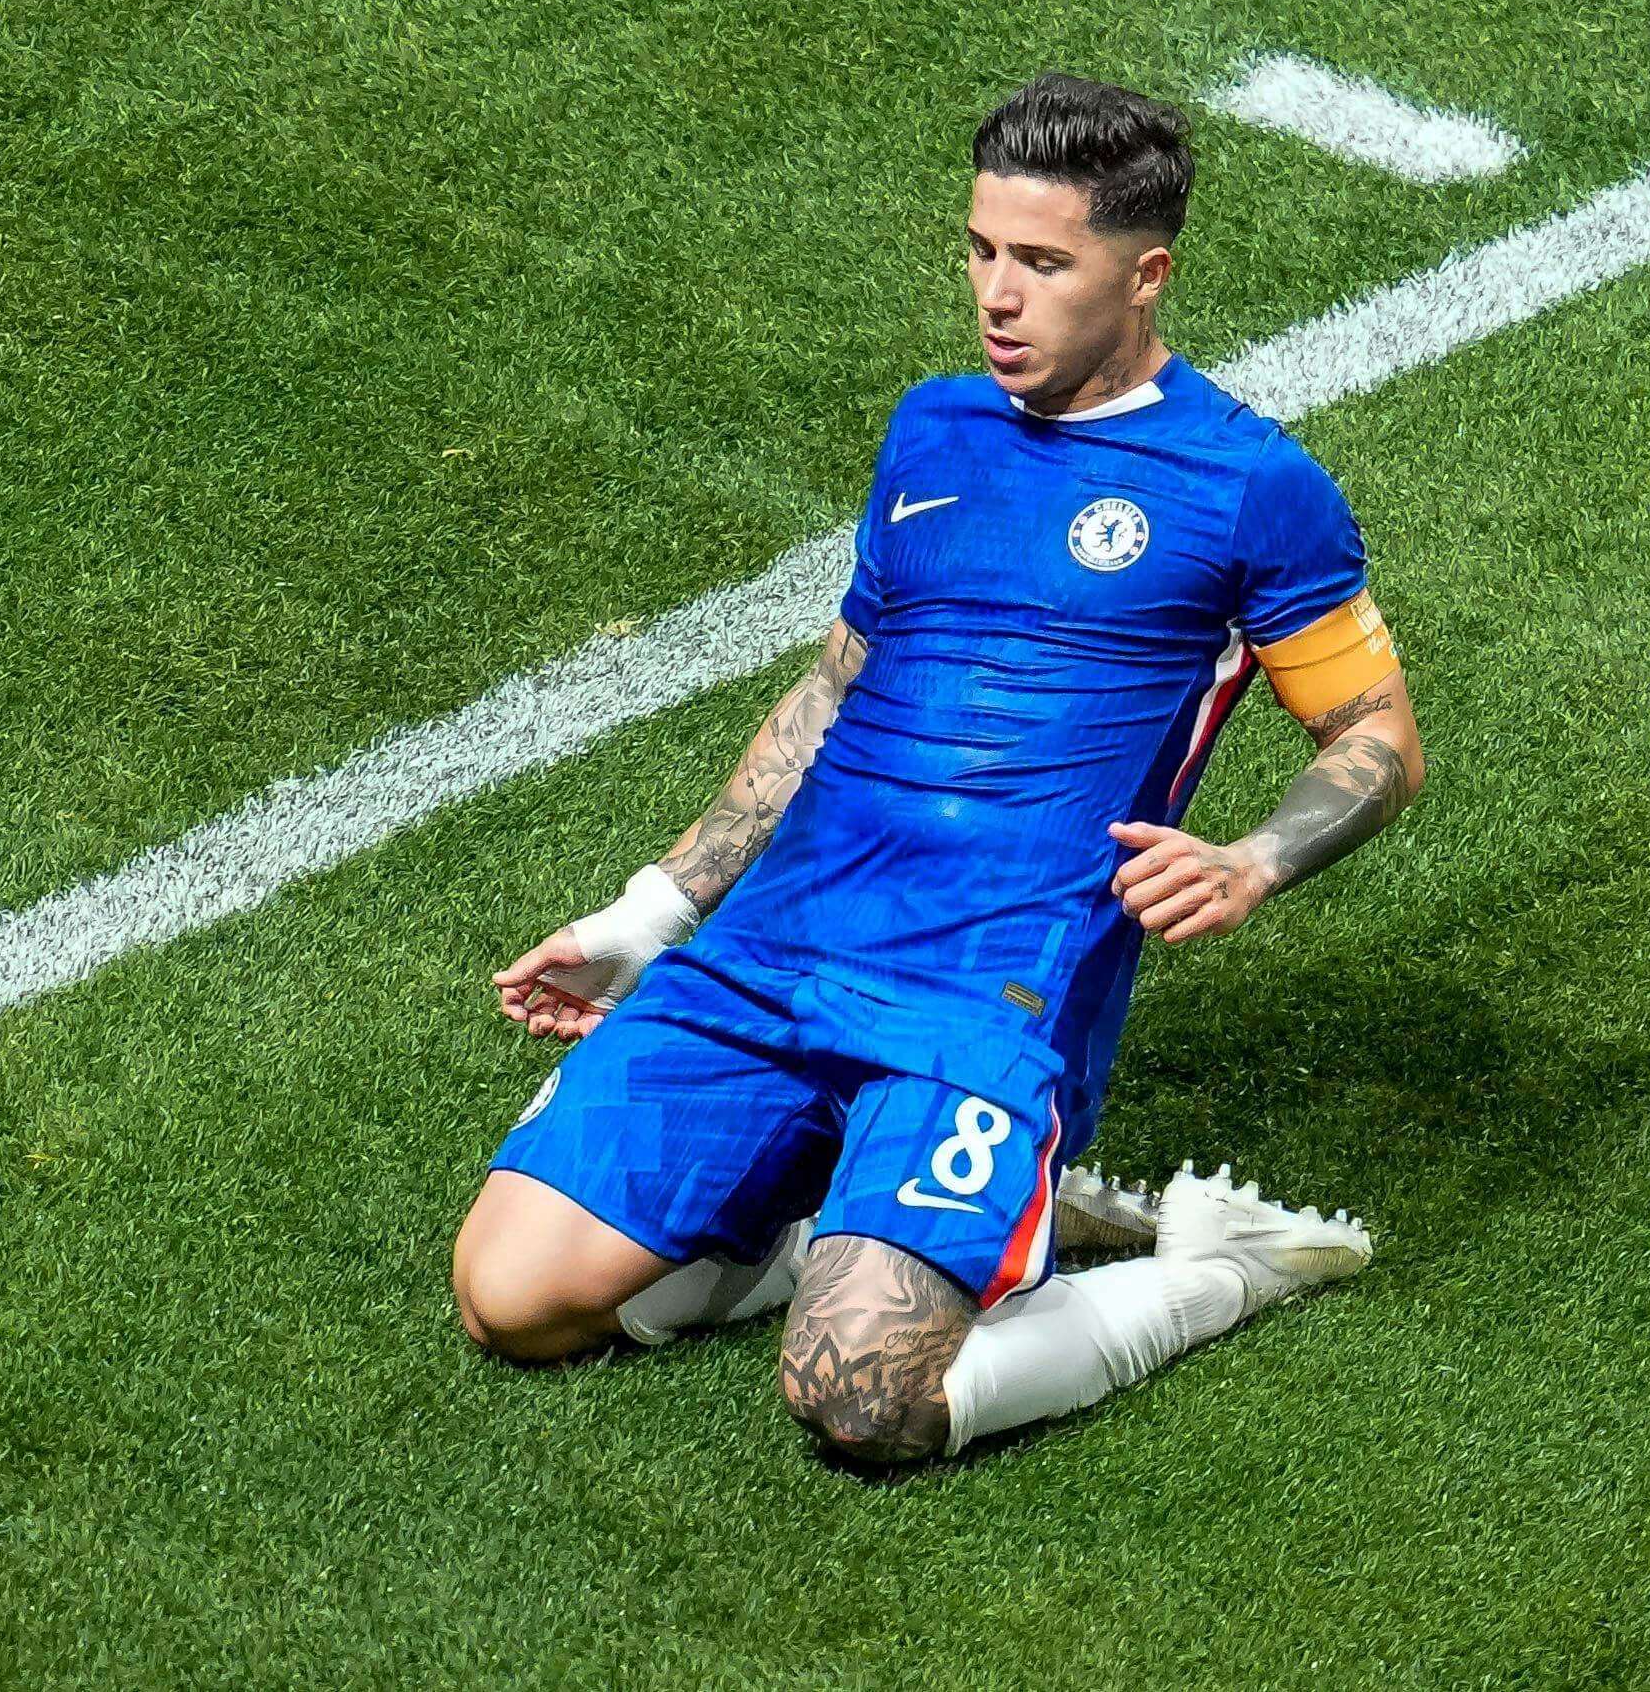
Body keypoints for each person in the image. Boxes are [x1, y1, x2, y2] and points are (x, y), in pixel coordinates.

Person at [449, 71, 1426, 1466]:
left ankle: (1225, 1262)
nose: (998, 295)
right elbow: (836, 687)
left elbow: (1381, 738)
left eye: (1043, 261)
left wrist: (1256, 859)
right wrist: (651, 914)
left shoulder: (1248, 487)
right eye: (981, 251)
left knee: (864, 1401)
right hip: (778, 951)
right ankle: (878, 1207)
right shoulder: (934, 429)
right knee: (510, 1300)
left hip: (984, 998)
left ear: (1145, 275)